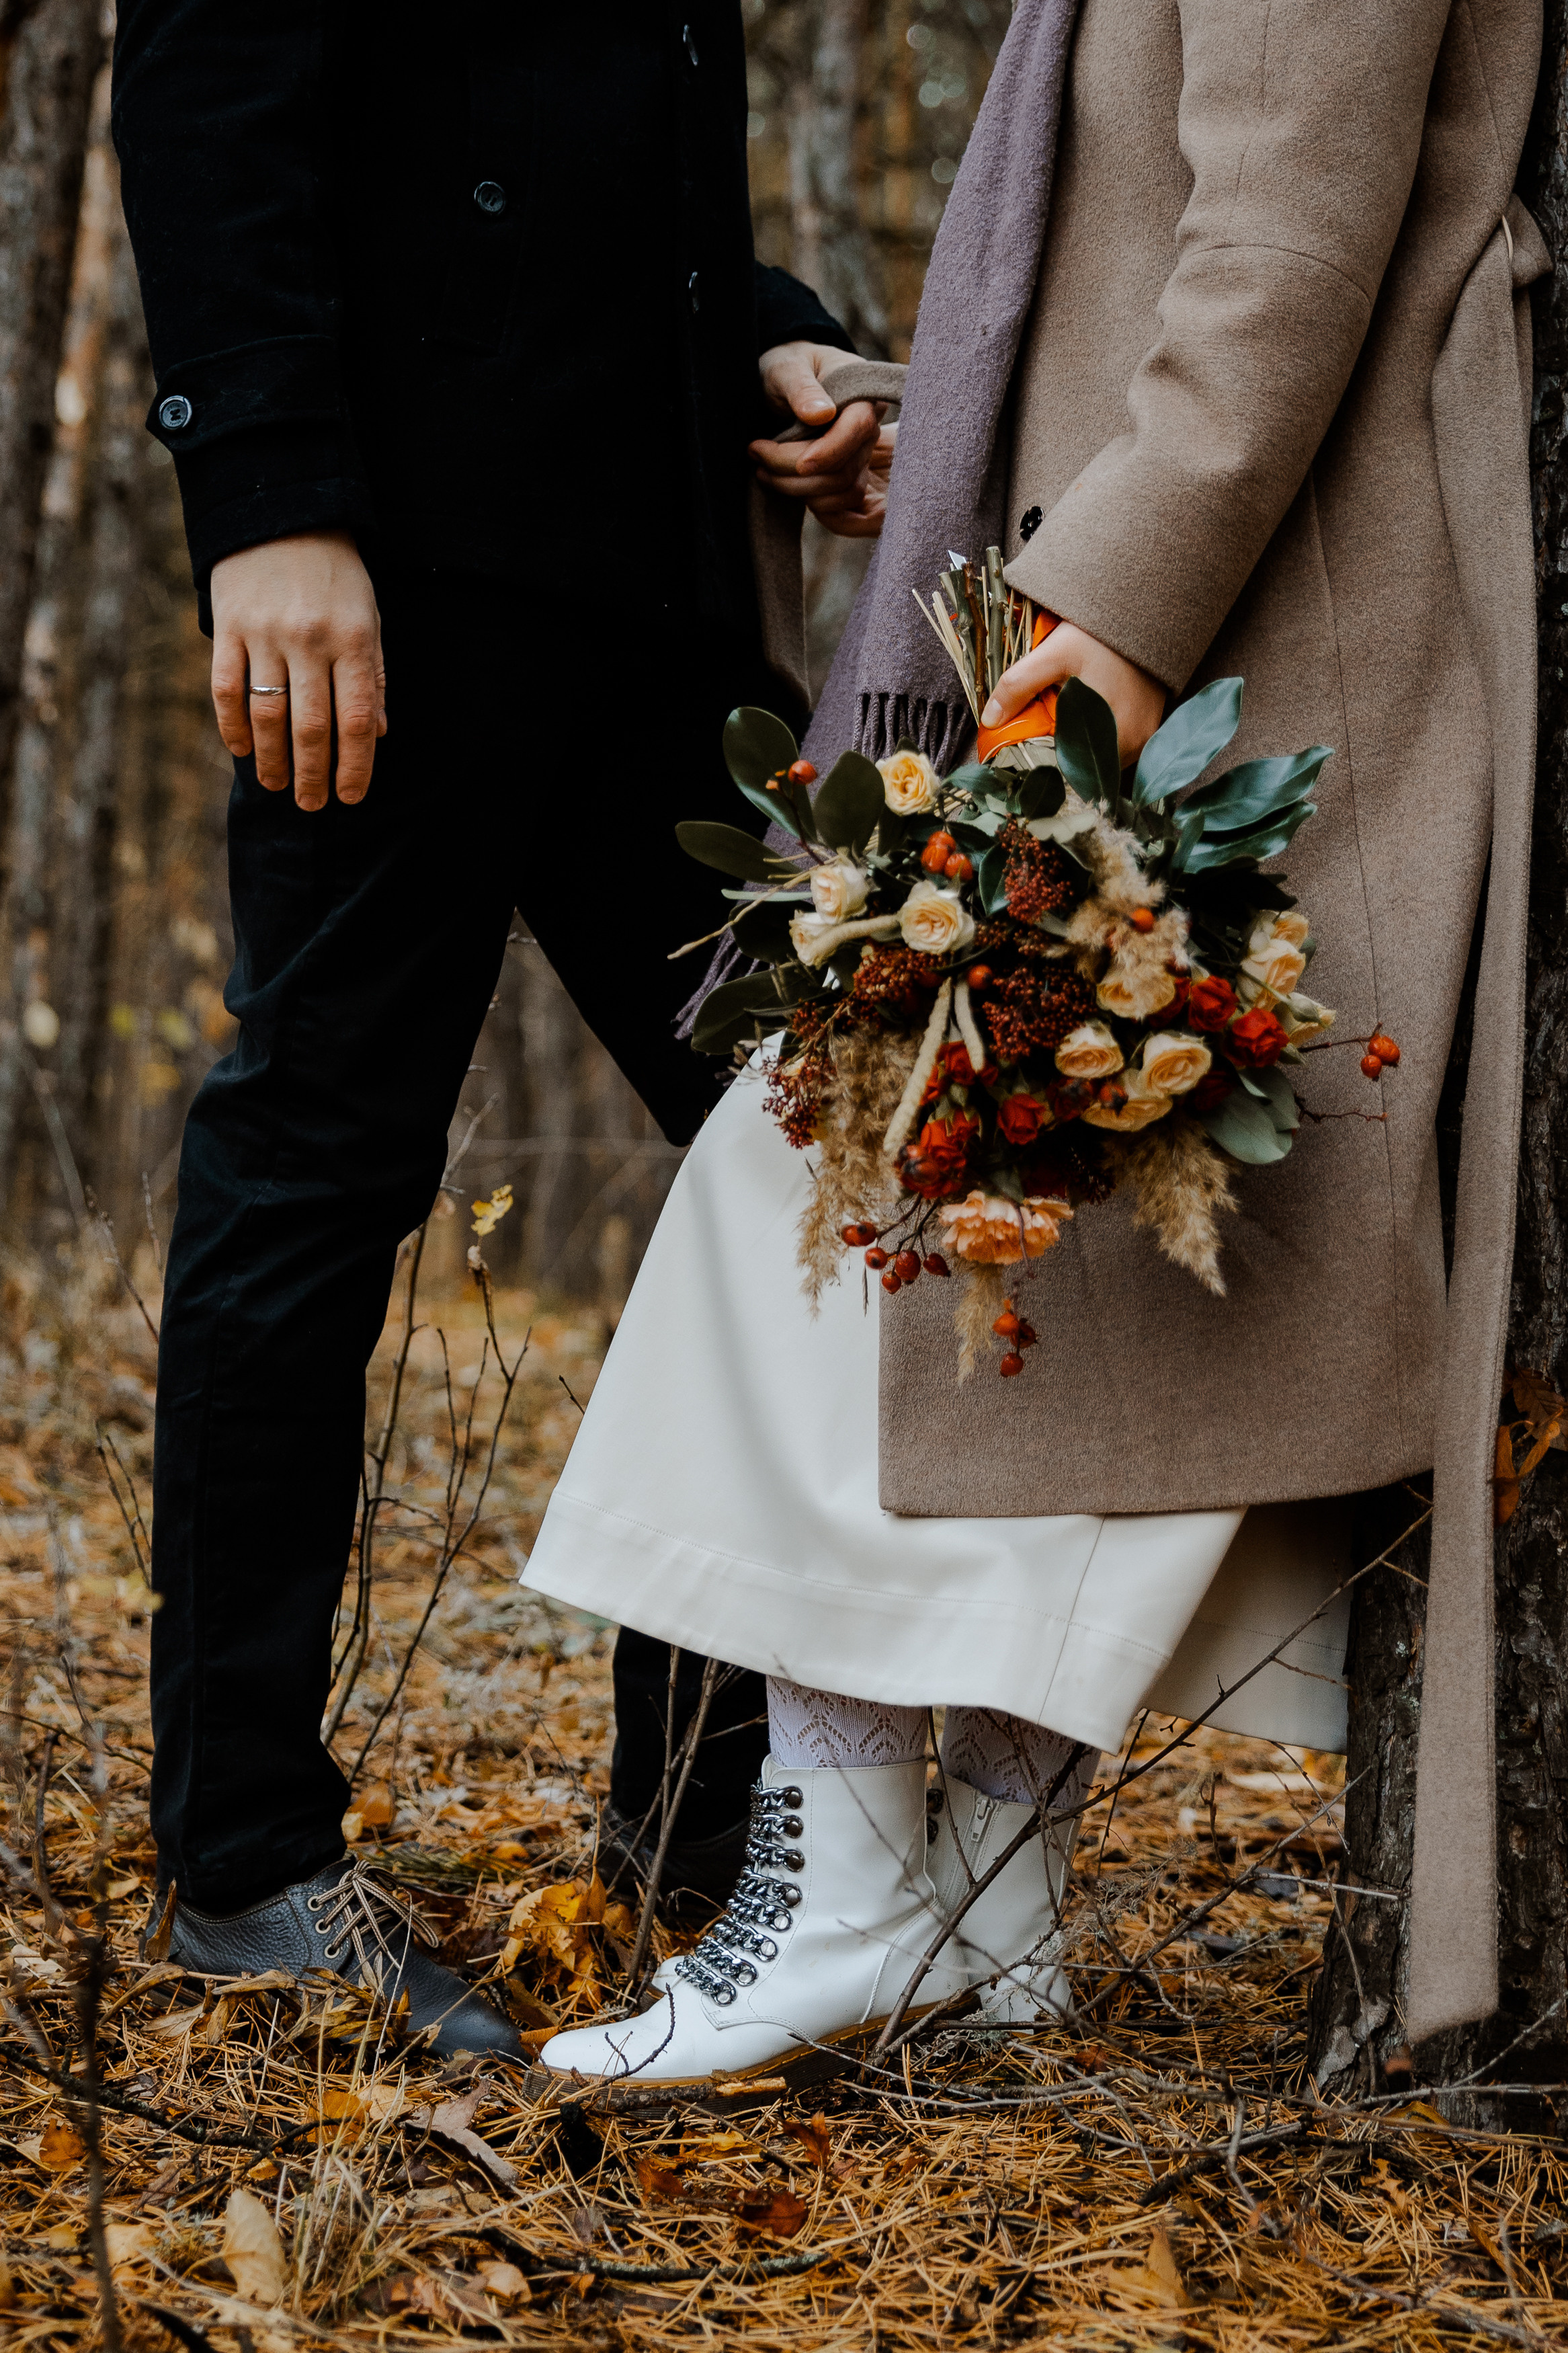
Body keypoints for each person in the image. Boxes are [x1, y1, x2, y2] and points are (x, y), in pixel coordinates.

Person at [530, 0, 1544, 2087]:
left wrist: (1103, 620)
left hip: (1257, 638)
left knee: (847, 1191)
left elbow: (1278, 251)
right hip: (1212, 607)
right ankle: (983, 1905)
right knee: (1017, 1290)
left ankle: (840, 1894)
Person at [110, 1, 891, 2055]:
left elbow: (574, 128)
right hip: (391, 556)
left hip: (641, 592)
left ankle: (695, 1837)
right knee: (322, 1150)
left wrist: (759, 333)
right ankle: (248, 1858)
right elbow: (213, 63)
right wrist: (266, 495)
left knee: (818, 1132)